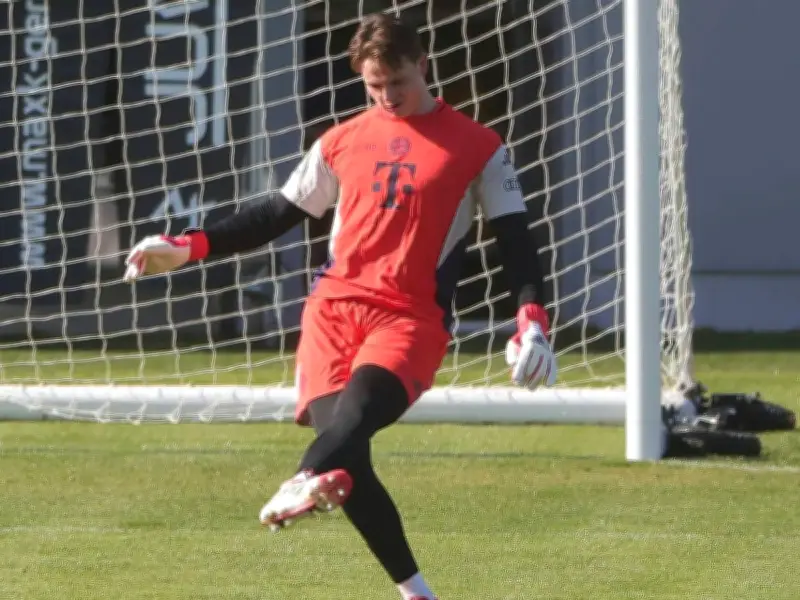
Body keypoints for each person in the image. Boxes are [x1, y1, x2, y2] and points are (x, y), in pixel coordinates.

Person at [123, 13, 557, 600]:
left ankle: (302, 478)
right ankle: (416, 592)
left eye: (396, 82)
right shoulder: (341, 140)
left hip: (409, 318)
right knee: (346, 452)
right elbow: (274, 215)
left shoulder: (480, 147)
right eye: (374, 86)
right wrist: (190, 245)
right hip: (332, 314)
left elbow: (516, 242)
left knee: (345, 437)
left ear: (422, 64)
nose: (387, 96)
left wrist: (531, 320)